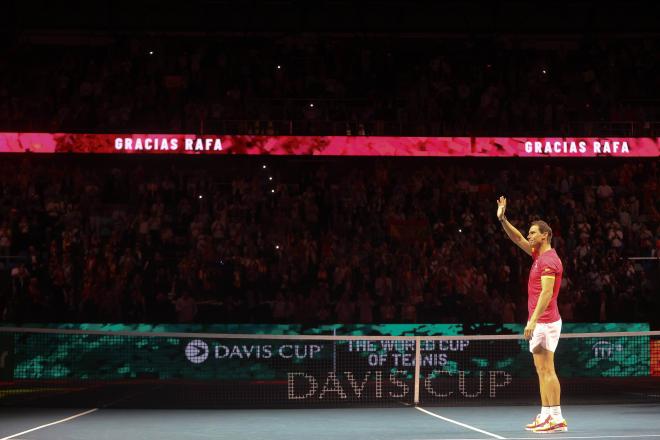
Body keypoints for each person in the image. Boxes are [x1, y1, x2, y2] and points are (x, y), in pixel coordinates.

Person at [497, 196, 568, 433]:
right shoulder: (538, 255)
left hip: (545, 322)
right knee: (541, 370)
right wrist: (503, 219)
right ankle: (546, 414)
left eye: (533, 233)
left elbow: (547, 293)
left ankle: (557, 417)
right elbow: (516, 238)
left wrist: (532, 320)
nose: (529, 236)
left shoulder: (549, 260)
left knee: (548, 369)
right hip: (541, 322)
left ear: (545, 235)